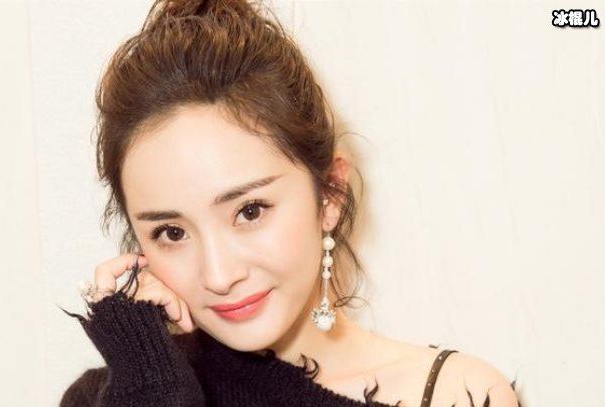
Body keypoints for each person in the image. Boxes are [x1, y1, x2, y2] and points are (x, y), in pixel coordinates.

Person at [59, 0, 521, 405]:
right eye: (172, 232)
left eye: (250, 211)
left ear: (330, 194)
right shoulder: (107, 398)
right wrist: (150, 385)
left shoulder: (453, 395)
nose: (219, 275)